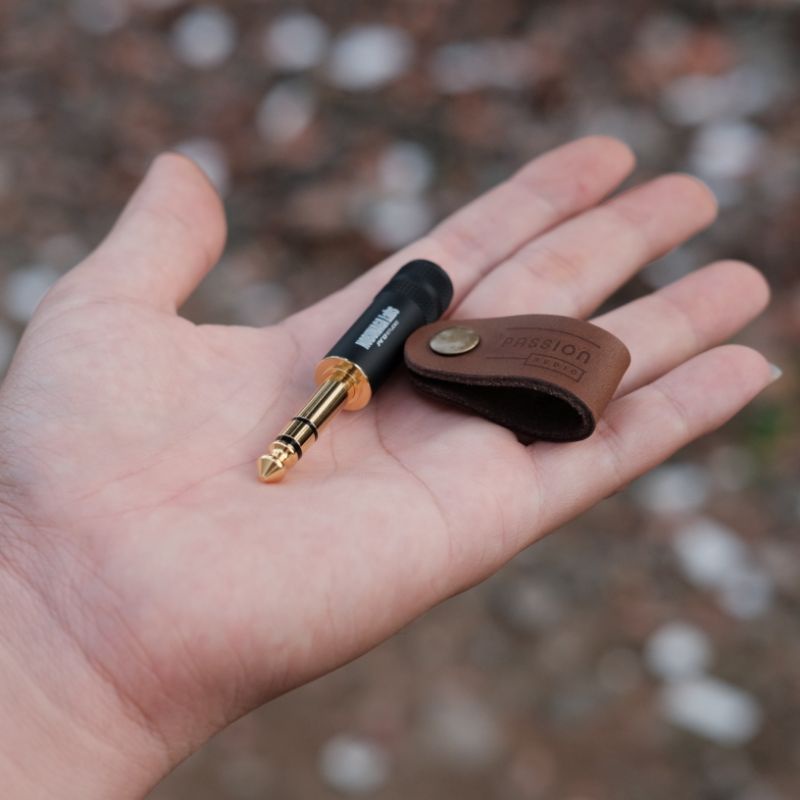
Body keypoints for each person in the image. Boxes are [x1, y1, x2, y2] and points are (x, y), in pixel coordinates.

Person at [0, 137, 774, 797]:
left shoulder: (369, 353)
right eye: (289, 443)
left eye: (287, 443)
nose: (282, 447)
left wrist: (46, 633)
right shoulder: (352, 367)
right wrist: (41, 604)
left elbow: (422, 287)